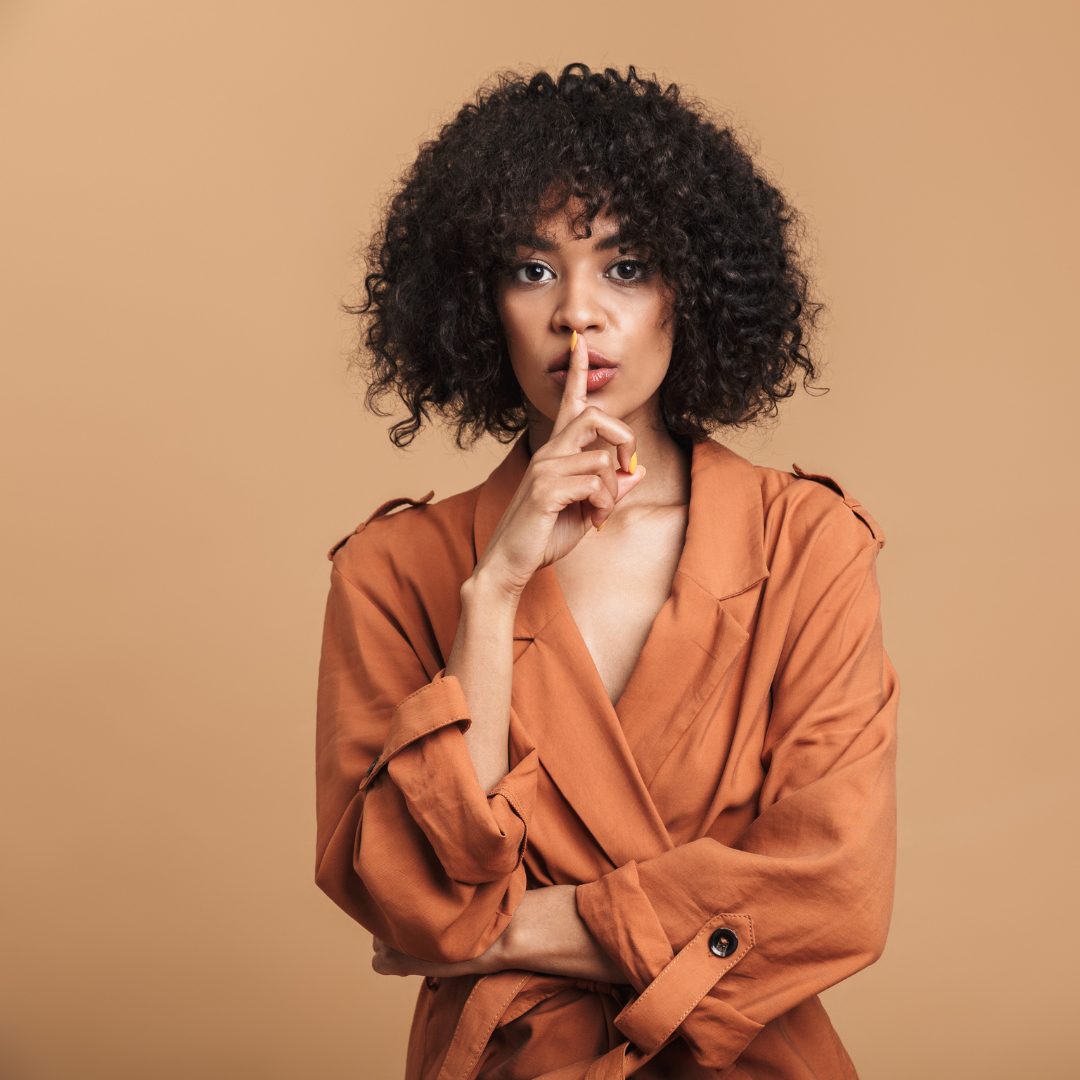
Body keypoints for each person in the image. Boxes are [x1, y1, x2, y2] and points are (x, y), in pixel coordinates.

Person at [314, 61, 898, 1079]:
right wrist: (492, 592)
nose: (579, 313)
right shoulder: (392, 570)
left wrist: (506, 935)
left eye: (625, 268)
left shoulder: (807, 544)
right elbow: (415, 897)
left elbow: (836, 893)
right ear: (474, 301)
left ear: (697, 287)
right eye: (532, 270)